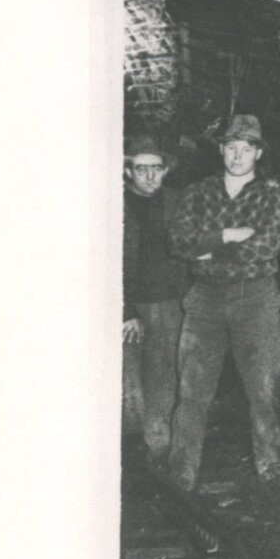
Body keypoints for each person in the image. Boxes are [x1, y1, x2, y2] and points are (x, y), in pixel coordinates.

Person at [166, 114, 280, 489]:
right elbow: (179, 243)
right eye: (231, 148)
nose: (237, 156)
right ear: (221, 150)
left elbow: (266, 245)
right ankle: (181, 473)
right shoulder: (199, 193)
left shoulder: (272, 194)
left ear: (257, 153)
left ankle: (271, 468)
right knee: (192, 390)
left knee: (263, 387)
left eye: (246, 149)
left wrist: (211, 249)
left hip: (255, 297)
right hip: (204, 300)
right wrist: (229, 234)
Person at [122, 136, 189, 466]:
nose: (149, 176)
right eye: (141, 168)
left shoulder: (177, 202)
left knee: (164, 373)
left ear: (165, 171)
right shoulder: (112, 205)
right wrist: (124, 309)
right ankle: (129, 450)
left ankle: (159, 446)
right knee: (128, 377)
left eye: (156, 168)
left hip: (169, 300)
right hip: (129, 306)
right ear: (128, 170)